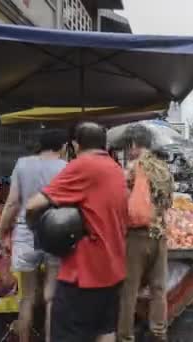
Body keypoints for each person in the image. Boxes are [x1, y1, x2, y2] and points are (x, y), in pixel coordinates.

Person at [26, 122, 128, 342]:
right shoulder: (116, 169)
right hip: (113, 268)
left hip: (84, 273)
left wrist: (34, 226)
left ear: (75, 144)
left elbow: (33, 205)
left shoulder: (82, 165)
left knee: (66, 335)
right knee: (105, 331)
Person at [0, 130, 67, 342]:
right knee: (51, 296)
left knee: (26, 296)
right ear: (61, 147)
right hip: (56, 231)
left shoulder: (22, 164)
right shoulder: (65, 168)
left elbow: (12, 203)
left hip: (25, 232)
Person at [118, 124, 174, 342]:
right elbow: (168, 202)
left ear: (133, 145)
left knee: (129, 291)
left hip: (136, 237)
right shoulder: (163, 168)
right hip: (159, 236)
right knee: (158, 289)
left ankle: (125, 337)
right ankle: (159, 333)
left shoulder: (132, 168)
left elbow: (122, 203)